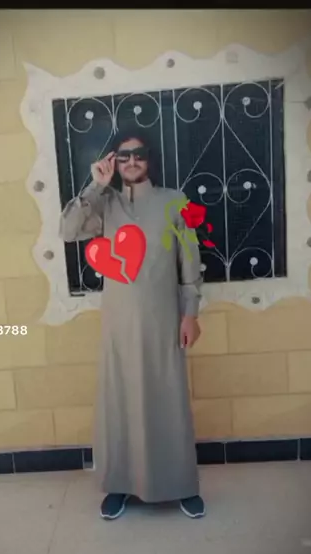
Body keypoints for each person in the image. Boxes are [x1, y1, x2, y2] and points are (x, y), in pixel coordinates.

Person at [59, 126, 206, 520]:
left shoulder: (174, 202)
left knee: (169, 403)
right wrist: (95, 185)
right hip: (119, 328)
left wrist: (190, 314)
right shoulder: (104, 205)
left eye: (138, 154)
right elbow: (68, 231)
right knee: (120, 404)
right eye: (122, 156)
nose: (131, 161)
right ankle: (120, 485)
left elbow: (189, 264)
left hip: (164, 324)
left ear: (149, 158)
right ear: (113, 161)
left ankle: (181, 485)